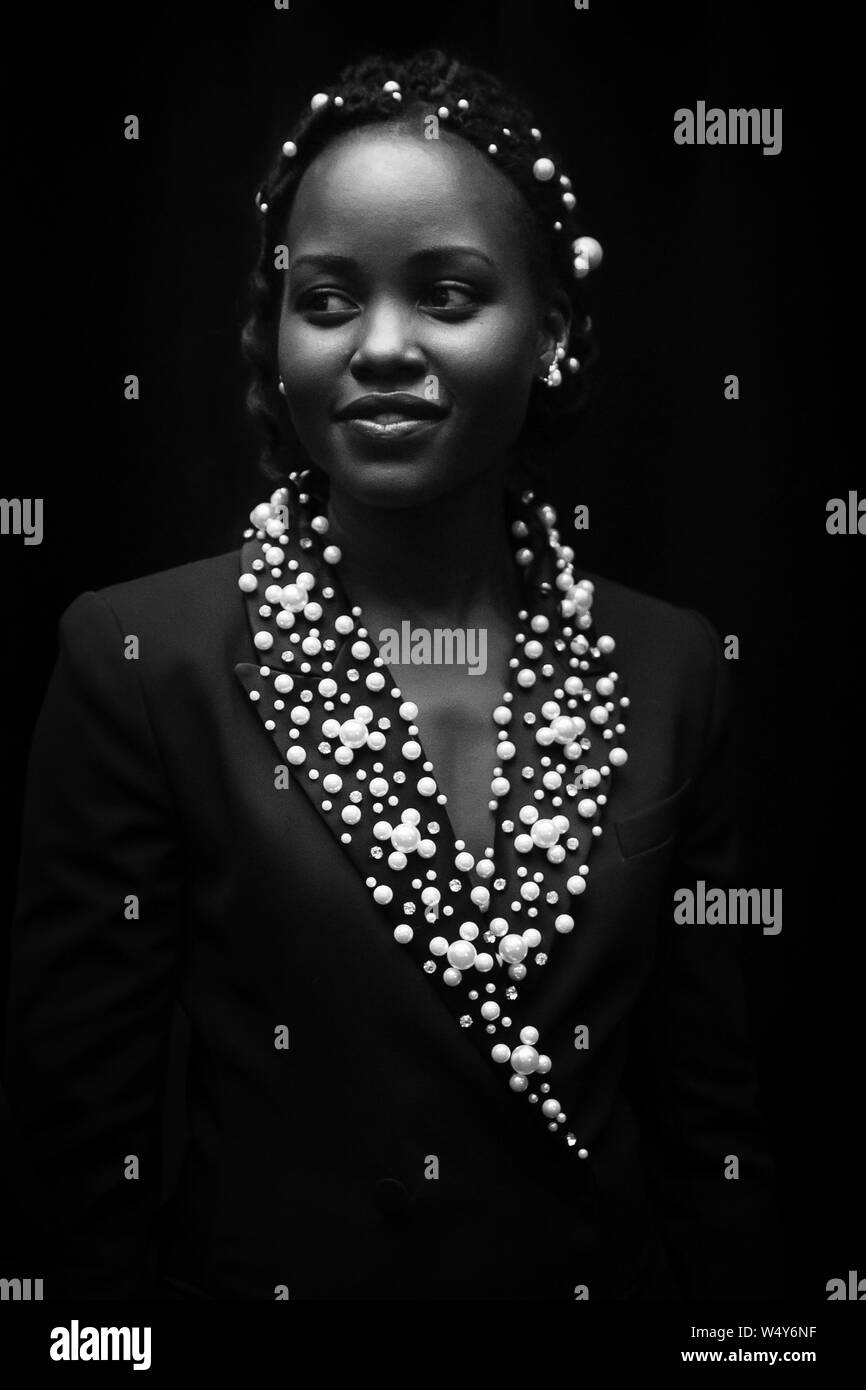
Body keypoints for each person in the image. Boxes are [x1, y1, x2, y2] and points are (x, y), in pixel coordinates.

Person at [4, 47, 778, 1300]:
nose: (379, 347)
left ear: (552, 332)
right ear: (278, 333)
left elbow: (709, 1126)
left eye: (448, 294)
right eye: (325, 301)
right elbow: (76, 1159)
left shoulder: (671, 666)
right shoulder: (144, 660)